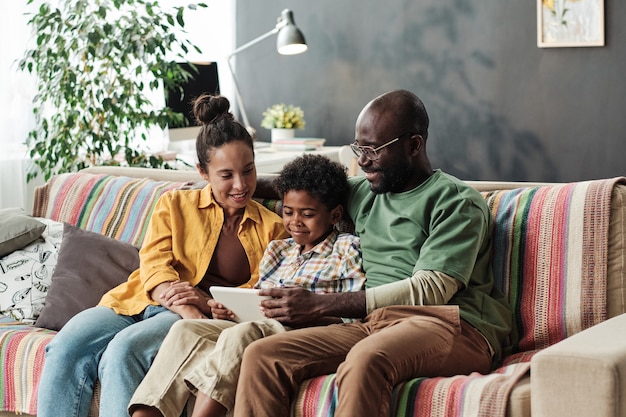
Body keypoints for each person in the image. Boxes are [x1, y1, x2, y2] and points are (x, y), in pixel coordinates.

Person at [231, 89, 513, 417]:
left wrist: (320, 304)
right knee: (263, 355)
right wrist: (230, 185)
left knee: (366, 358)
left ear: (414, 145)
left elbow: (431, 289)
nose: (362, 160)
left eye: (372, 150)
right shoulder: (367, 191)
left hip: (451, 324)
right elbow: (299, 187)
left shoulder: (454, 201)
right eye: (358, 148)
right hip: (373, 323)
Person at [36, 94, 288, 417]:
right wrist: (184, 302)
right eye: (226, 175)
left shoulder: (273, 229)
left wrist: (201, 301)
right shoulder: (174, 205)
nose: (241, 184)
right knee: (64, 348)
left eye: (249, 171)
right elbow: (153, 262)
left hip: (186, 320)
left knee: (122, 352)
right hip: (137, 299)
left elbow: (256, 294)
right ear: (202, 171)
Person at [129, 154, 366, 417]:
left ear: (335, 215)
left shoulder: (346, 248)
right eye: (288, 212)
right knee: (186, 329)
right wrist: (227, 310)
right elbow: (256, 299)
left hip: (305, 332)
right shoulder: (278, 249)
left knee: (240, 335)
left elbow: (352, 314)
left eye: (307, 214)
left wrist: (310, 310)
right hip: (260, 325)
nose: (295, 222)